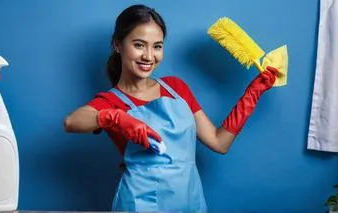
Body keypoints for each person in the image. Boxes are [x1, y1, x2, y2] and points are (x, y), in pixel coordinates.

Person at [63, 4, 278, 212]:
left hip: (190, 202)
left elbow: (219, 142)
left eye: (157, 46)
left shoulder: (176, 88)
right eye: (139, 45)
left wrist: (252, 93)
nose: (149, 56)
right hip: (140, 204)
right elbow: (72, 122)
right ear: (118, 45)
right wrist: (114, 118)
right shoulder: (111, 101)